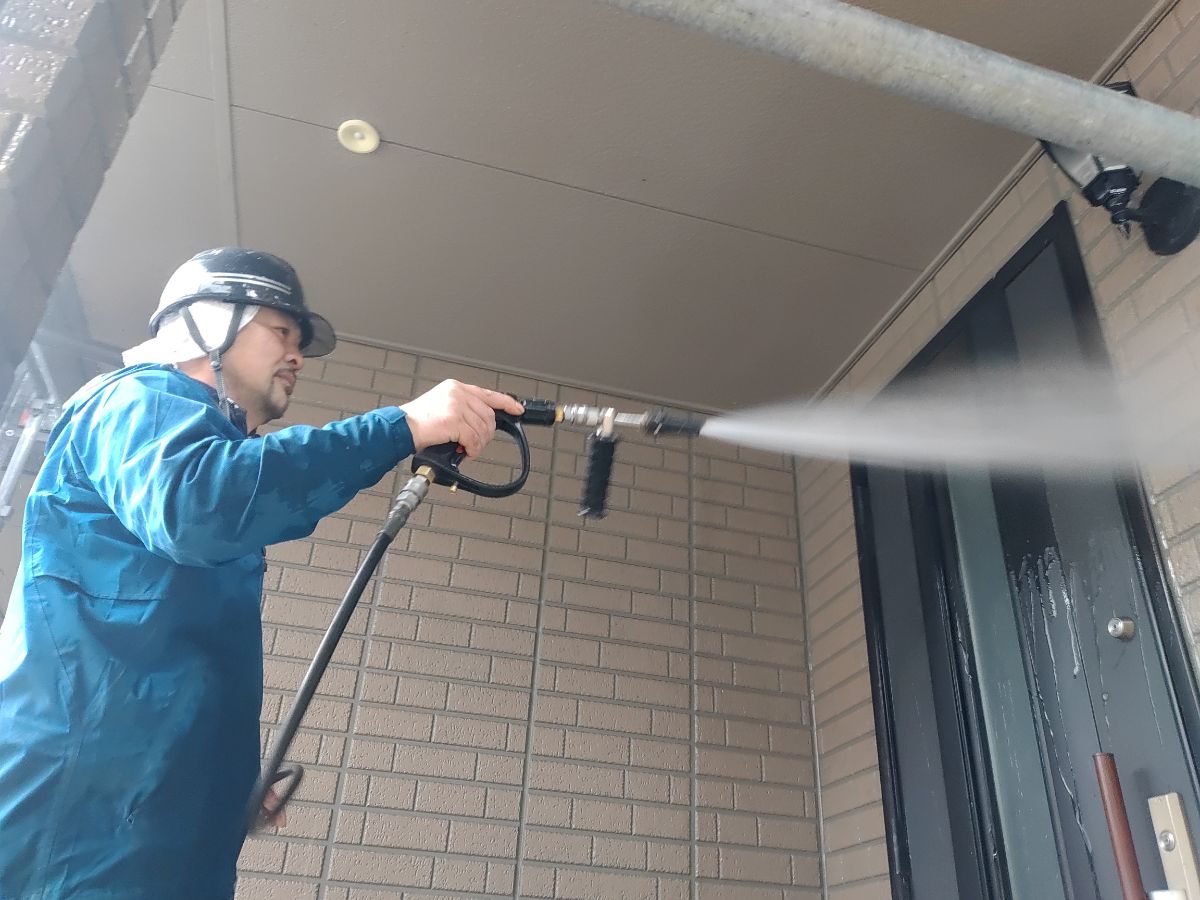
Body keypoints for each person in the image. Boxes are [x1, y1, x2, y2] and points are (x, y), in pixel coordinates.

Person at [0, 248, 523, 899]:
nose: (297, 356)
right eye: (281, 331)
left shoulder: (197, 443)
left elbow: (165, 649)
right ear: (206, 321)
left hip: (144, 817)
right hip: (79, 816)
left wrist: (215, 782)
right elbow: (200, 505)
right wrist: (403, 425)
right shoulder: (140, 398)